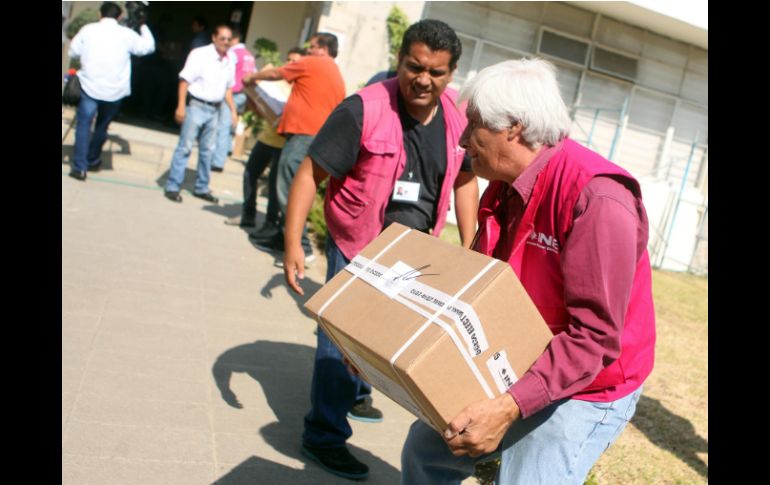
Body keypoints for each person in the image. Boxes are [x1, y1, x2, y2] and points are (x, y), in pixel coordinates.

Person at [400, 58, 656, 485]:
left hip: (590, 384)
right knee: (427, 450)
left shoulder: (597, 199)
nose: (463, 140)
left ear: (513, 128)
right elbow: (482, 286)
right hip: (524, 358)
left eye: (474, 125)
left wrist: (507, 407)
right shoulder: (505, 183)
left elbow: (594, 339)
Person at [282, 19, 479, 480]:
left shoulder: (455, 118)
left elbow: (467, 177)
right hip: (358, 243)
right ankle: (323, 435)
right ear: (400, 61)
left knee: (384, 338)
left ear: (452, 74)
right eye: (414, 67)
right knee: (338, 341)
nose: (423, 80)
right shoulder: (362, 109)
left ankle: (354, 393)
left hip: (414, 253)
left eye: (437, 72)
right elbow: (312, 172)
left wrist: (471, 243)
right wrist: (293, 241)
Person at [243, 33, 346, 261]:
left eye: (312, 47)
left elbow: (275, 73)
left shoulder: (315, 63)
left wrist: (252, 77)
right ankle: (282, 239)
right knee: (287, 180)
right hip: (314, 135)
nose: (308, 51)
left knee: (289, 185)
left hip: (305, 133)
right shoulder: (333, 72)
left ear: (323, 49)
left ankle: (301, 246)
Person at [67, 1, 155, 181]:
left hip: (89, 86)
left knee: (84, 125)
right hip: (115, 90)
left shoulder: (88, 29)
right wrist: (143, 24)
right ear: (120, 17)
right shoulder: (127, 34)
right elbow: (148, 47)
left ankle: (79, 167)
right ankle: (92, 160)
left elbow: (73, 52)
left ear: (100, 14)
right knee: (102, 126)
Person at [225, 47, 306, 229]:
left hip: (284, 143)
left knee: (274, 185)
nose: (289, 64)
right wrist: (256, 104)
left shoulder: (301, 89)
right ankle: (248, 214)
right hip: (266, 138)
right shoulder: (277, 83)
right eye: (288, 59)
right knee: (250, 174)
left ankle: (270, 224)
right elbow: (266, 112)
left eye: (295, 61)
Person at [163, 25, 237, 204]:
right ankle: (173, 186)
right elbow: (185, 80)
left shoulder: (230, 59)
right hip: (197, 105)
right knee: (185, 147)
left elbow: (227, 88)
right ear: (214, 38)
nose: (226, 42)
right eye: (222, 38)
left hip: (215, 109)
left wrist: (233, 111)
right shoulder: (200, 54)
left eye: (229, 39)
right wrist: (181, 106)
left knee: (207, 151)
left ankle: (202, 187)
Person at [211, 28, 255, 173]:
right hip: (244, 93)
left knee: (223, 126)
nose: (226, 42)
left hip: (233, 93)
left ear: (234, 39)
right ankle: (228, 149)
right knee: (230, 125)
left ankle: (218, 161)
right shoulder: (249, 55)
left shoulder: (233, 53)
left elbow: (226, 72)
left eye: (228, 39)